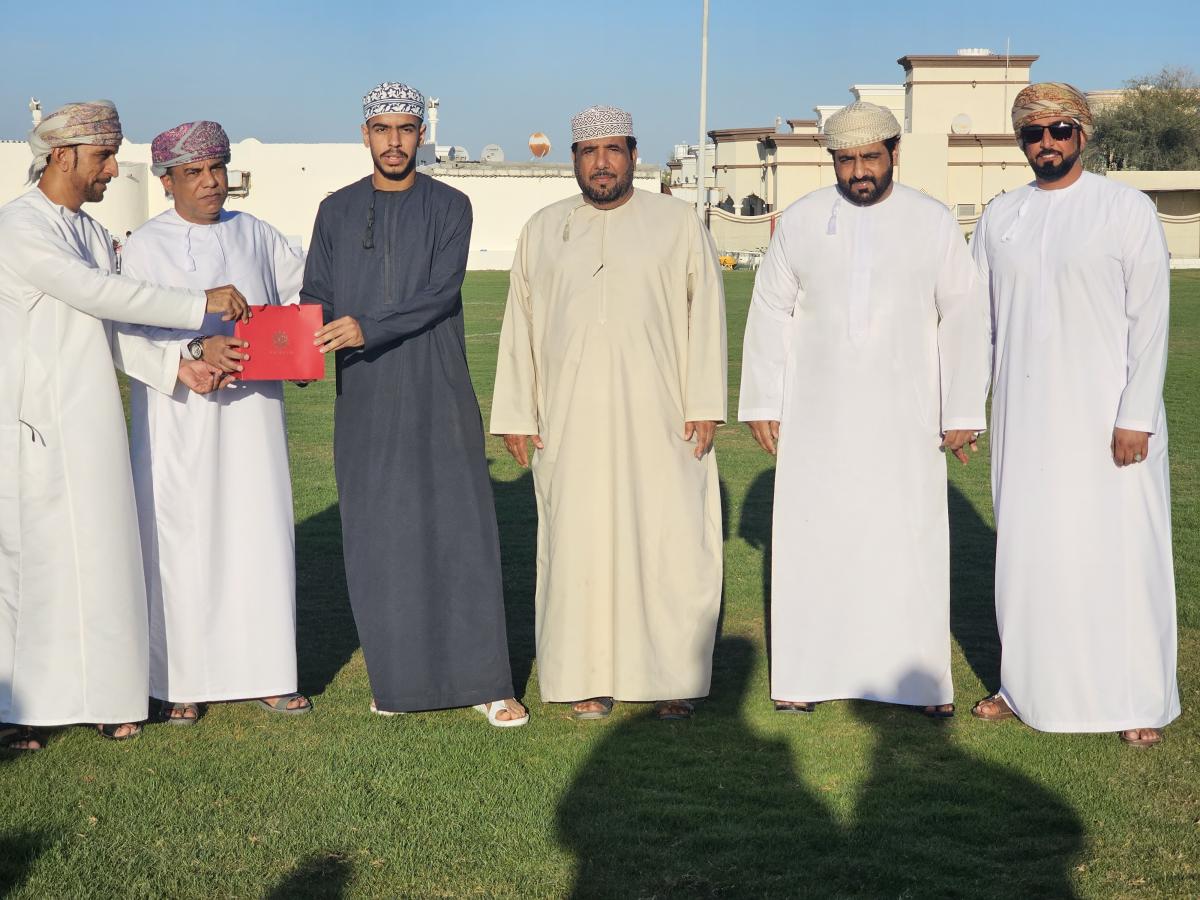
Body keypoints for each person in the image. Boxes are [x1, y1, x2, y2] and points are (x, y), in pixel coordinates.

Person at [0, 100, 249, 751]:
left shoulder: (87, 230)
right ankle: (24, 709)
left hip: (92, 420)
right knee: (36, 569)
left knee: (105, 558)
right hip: (32, 426)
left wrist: (179, 362)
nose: (114, 169)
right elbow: (96, 292)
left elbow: (110, 327)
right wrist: (198, 304)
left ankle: (108, 697)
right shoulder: (20, 226)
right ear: (61, 157)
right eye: (104, 156)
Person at [738, 101, 990, 718]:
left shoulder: (931, 221)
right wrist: (763, 400)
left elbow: (963, 312)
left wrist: (961, 409)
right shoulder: (801, 220)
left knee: (909, 541)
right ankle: (804, 675)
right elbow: (770, 310)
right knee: (812, 538)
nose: (858, 172)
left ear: (894, 153)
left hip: (908, 417)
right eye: (845, 160)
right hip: (815, 417)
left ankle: (921, 684)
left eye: (870, 158)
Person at [491, 105, 727, 721]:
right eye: (590, 152)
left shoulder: (677, 223)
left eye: (613, 150)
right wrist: (517, 412)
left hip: (663, 419)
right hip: (568, 422)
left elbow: (707, 314)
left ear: (633, 155)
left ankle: (673, 677)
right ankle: (585, 677)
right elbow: (520, 325)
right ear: (573, 159)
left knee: (669, 542)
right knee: (577, 545)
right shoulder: (544, 229)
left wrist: (705, 402)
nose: (602, 163)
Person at [301, 83, 524, 726]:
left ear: (422, 134)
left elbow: (439, 293)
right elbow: (315, 293)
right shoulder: (335, 210)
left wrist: (366, 327)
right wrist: (299, 357)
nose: (394, 141)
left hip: (437, 385)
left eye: (405, 129)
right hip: (364, 393)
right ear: (365, 134)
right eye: (382, 129)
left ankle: (488, 682)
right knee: (378, 533)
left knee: (460, 528)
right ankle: (397, 682)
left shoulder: (451, 205)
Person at [970, 83, 1180, 746]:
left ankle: (1137, 698)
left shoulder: (1125, 209)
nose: (1047, 143)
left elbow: (1150, 320)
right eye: (1033, 133)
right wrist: (966, 407)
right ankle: (1024, 687)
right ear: (1021, 141)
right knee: (1030, 553)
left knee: (1121, 553)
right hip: (1024, 419)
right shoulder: (1001, 217)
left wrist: (1136, 414)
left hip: (1109, 418)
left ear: (1082, 134)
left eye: (1059, 130)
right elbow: (980, 325)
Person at [119, 120, 310, 726]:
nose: (209, 182)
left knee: (259, 533)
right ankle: (179, 681)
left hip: (253, 415)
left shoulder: (257, 234)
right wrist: (192, 355)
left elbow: (299, 303)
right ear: (166, 180)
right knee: (181, 538)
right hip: (178, 418)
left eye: (216, 169)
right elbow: (124, 331)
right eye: (193, 172)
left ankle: (269, 673)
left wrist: (297, 355)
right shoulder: (145, 245)